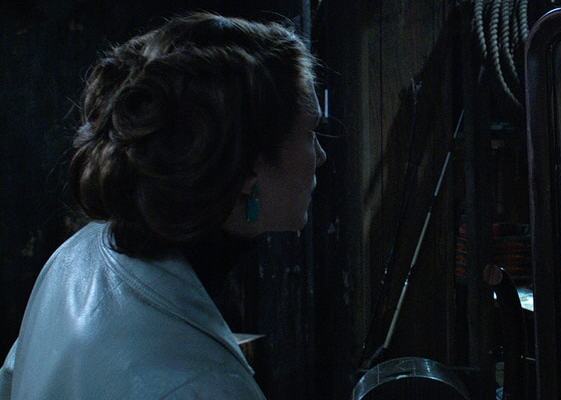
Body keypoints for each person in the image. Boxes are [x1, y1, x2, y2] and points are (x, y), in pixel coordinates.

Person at [0, 12, 325, 399]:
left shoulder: (75, 255)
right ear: (249, 168)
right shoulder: (204, 387)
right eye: (310, 133)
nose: (320, 156)